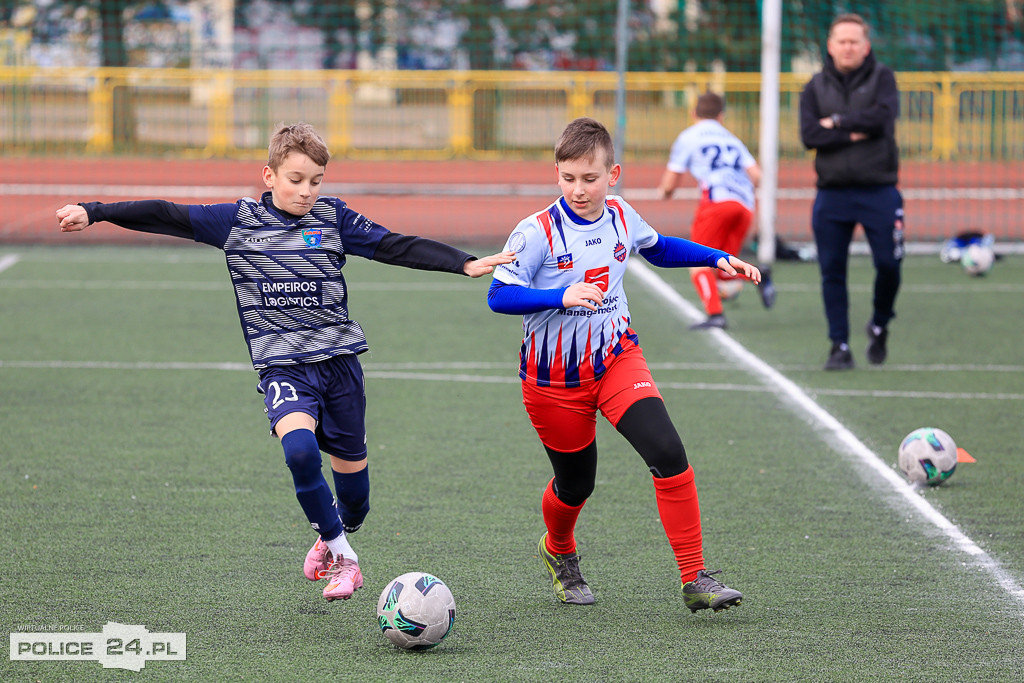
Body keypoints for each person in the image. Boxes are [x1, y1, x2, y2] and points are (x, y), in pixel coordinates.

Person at [56, 122, 514, 603]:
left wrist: (462, 262)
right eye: (295, 179)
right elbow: (166, 213)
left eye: (316, 180)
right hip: (283, 370)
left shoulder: (334, 219)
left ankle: (336, 530)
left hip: (339, 369)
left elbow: (393, 244)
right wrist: (94, 212)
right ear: (269, 175)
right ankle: (345, 559)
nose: (306, 190)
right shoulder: (236, 221)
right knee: (298, 452)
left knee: (355, 503)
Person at [487, 117, 760, 612]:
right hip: (552, 382)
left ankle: (695, 576)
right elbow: (498, 295)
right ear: (557, 174)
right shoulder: (535, 232)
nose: (579, 189)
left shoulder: (620, 215)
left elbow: (659, 248)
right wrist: (560, 295)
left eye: (589, 178)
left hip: (617, 360)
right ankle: (559, 550)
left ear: (612, 175)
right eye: (568, 178)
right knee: (576, 484)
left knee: (668, 450)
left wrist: (718, 258)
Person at [799, 13, 903, 370]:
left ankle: (879, 323)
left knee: (889, 264)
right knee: (832, 270)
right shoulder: (815, 86)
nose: (847, 47)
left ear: (866, 45)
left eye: (854, 41)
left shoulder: (883, 78)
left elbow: (884, 119)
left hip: (879, 190)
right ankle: (839, 345)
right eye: (841, 41)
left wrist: (839, 122)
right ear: (831, 45)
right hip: (832, 194)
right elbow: (810, 135)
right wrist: (856, 130)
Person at [657, 91, 766, 329]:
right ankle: (760, 275)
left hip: (717, 203)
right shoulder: (731, 138)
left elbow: (670, 183)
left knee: (697, 261)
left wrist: (665, 192)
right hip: (744, 206)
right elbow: (757, 176)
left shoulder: (689, 136)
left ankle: (716, 315)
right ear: (721, 116)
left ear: (693, 113)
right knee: (722, 266)